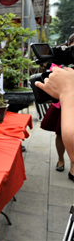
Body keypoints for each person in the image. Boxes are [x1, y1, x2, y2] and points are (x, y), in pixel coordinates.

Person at [37, 36, 74, 181]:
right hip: (61, 105)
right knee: (60, 133)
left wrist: (67, 92)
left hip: (67, 101)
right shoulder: (60, 63)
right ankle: (61, 160)